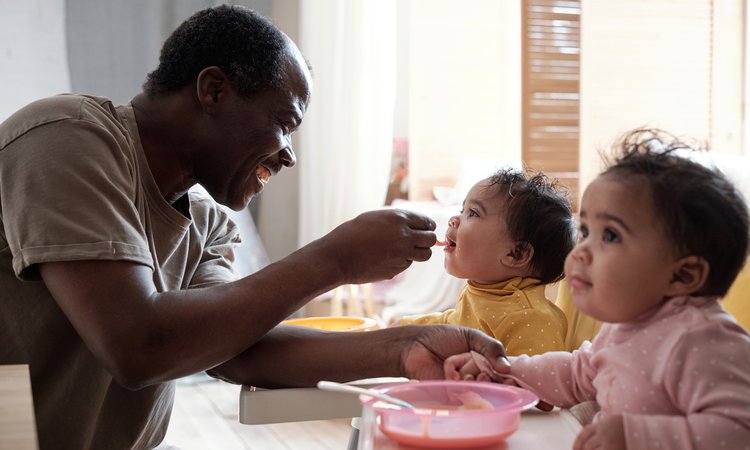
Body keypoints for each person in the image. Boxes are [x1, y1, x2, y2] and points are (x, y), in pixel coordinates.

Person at [0, 6, 510, 450]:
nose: (289, 154)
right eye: (284, 122)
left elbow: (240, 351)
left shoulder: (205, 222)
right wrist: (335, 259)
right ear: (214, 90)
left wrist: (406, 347)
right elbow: (138, 345)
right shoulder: (67, 139)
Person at [445, 129, 750, 449]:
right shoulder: (627, 328)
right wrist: (506, 371)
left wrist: (637, 436)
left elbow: (740, 428)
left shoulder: (701, 339)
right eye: (586, 231)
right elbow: (576, 373)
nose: (582, 251)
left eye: (611, 236)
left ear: (683, 274)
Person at [396, 168, 576, 356]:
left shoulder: (531, 319)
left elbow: (531, 379)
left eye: (473, 213)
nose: (453, 220)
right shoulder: (483, 290)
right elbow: (453, 323)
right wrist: (406, 328)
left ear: (516, 254)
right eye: (462, 210)